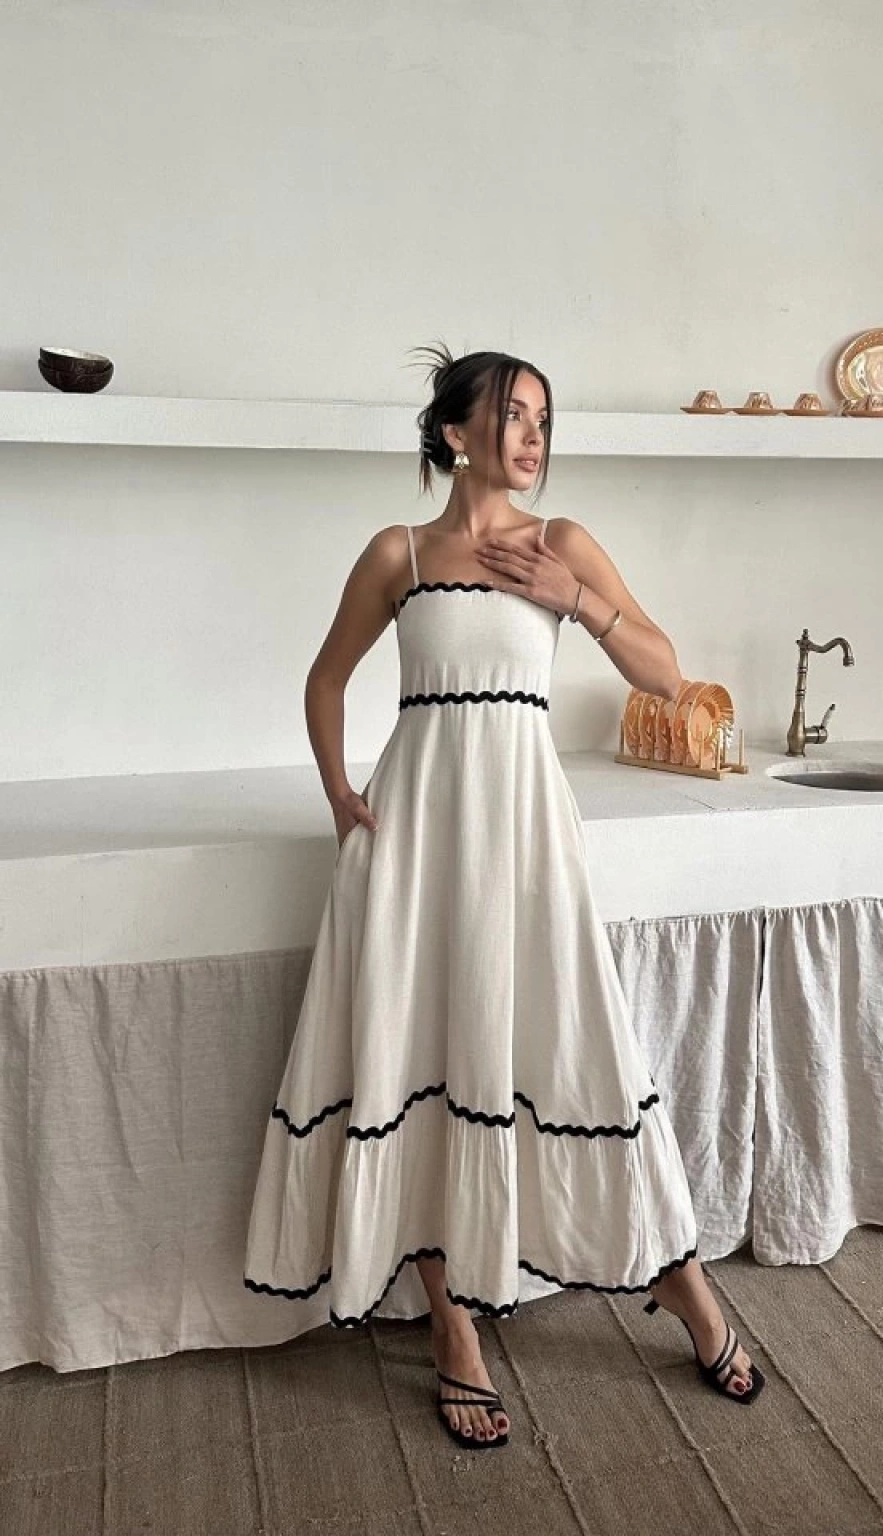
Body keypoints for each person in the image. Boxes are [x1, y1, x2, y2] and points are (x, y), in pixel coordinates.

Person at [244, 343, 764, 1452]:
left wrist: (579, 602)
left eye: (542, 420)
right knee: (425, 1059)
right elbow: (326, 677)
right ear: (453, 433)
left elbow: (668, 674)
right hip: (415, 845)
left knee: (584, 1052)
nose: (531, 436)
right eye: (512, 415)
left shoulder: (561, 542)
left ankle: (682, 1283)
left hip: (526, 840)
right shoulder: (399, 552)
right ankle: (453, 1328)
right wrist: (340, 794)